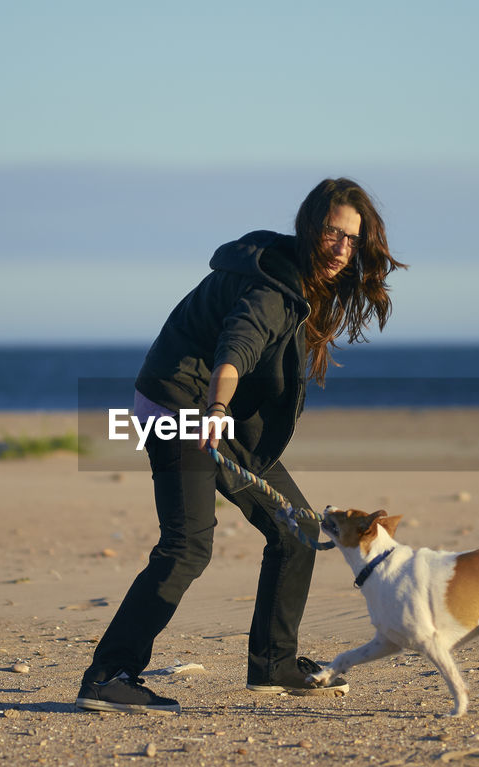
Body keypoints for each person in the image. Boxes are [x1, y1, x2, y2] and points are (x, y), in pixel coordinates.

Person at [76, 177, 405, 714]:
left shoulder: (293, 279)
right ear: (309, 228)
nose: (342, 249)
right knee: (187, 546)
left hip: (212, 418)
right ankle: (109, 674)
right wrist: (216, 410)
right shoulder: (273, 290)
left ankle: (273, 665)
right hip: (178, 408)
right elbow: (236, 348)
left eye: (352, 239)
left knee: (296, 527)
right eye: (332, 233)